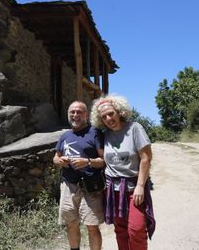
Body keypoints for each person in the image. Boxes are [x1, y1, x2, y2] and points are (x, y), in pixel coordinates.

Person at [90, 94, 156, 250]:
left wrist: (140, 185)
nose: (108, 118)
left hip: (133, 189)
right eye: (104, 116)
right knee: (120, 231)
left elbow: (146, 158)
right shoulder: (104, 135)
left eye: (111, 113)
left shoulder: (134, 128)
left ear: (119, 112)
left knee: (136, 229)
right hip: (112, 190)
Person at [53, 101, 105, 250]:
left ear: (86, 115)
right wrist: (59, 161)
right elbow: (55, 157)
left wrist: (87, 162)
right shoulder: (64, 136)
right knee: (71, 224)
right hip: (68, 186)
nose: (75, 115)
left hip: (90, 186)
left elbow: (103, 161)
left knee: (92, 226)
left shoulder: (95, 132)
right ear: (69, 114)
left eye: (79, 112)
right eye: (72, 112)